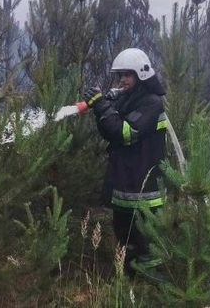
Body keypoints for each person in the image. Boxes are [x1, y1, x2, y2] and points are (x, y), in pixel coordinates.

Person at [83, 48, 167, 276]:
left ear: (141, 74)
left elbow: (125, 133)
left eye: (127, 75)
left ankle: (151, 286)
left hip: (144, 189)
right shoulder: (128, 99)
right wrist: (101, 108)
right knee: (125, 237)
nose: (122, 80)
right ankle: (130, 283)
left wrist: (102, 106)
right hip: (125, 184)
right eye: (121, 75)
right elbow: (109, 131)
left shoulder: (151, 103)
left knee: (145, 242)